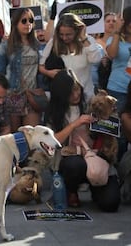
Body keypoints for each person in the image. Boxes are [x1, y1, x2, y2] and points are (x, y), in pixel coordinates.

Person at [46, 69, 120, 212]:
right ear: (62, 94)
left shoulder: (91, 104)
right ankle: (71, 191)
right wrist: (75, 124)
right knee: (75, 164)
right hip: (72, 159)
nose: (76, 95)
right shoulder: (54, 113)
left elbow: (109, 127)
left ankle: (96, 188)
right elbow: (53, 141)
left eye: (77, 90)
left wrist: (109, 116)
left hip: (98, 158)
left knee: (111, 204)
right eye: (71, 92)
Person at [39, 13, 101, 103]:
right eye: (61, 34)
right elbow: (41, 65)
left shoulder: (88, 41)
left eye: (68, 34)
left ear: (77, 31)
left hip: (84, 96)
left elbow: (96, 59)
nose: (64, 38)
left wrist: (83, 38)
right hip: (62, 97)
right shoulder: (54, 42)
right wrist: (48, 73)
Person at [0, 7, 41, 132]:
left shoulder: (37, 45)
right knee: (16, 137)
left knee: (32, 135)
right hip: (13, 94)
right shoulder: (6, 45)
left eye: (31, 20)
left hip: (32, 95)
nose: (28, 24)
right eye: (24, 21)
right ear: (15, 23)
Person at [106, 7, 131, 113]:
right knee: (115, 124)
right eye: (129, 22)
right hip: (117, 89)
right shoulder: (114, 39)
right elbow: (112, 54)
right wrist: (116, 31)